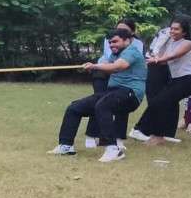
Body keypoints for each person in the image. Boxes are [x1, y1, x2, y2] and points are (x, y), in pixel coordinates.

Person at [49, 26, 146, 162]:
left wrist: (94, 66)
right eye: (110, 42)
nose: (112, 45)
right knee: (75, 108)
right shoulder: (115, 55)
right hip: (113, 92)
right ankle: (66, 145)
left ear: (127, 40)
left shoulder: (132, 52)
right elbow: (106, 65)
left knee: (103, 105)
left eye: (115, 42)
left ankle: (114, 149)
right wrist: (91, 66)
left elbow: (118, 66)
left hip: (131, 94)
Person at [130, 15, 191, 145]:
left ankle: (150, 133)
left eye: (176, 29)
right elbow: (162, 60)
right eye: (171, 29)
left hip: (188, 80)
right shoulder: (170, 44)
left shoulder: (188, 43)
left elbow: (174, 55)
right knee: (164, 104)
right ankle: (163, 134)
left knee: (159, 102)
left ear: (184, 31)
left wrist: (158, 59)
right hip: (176, 80)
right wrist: (149, 61)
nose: (172, 31)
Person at [85, 18, 137, 149]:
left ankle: (118, 139)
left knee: (121, 105)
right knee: (99, 102)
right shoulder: (111, 40)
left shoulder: (137, 45)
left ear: (132, 32)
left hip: (122, 78)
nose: (119, 32)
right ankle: (91, 136)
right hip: (103, 73)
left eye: (124, 30)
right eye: (118, 29)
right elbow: (110, 59)